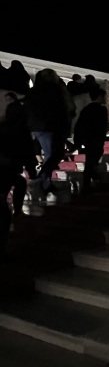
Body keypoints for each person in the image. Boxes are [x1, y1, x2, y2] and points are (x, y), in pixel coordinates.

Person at [24, 68, 76, 203]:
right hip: (51, 126)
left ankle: (46, 183)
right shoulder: (56, 90)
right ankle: (40, 179)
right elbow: (61, 110)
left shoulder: (33, 91)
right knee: (55, 154)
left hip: (36, 127)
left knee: (50, 155)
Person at [0, 93, 37, 254]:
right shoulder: (21, 129)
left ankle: (16, 212)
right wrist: (31, 169)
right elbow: (28, 151)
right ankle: (17, 212)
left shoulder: (2, 126)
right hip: (8, 169)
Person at [73, 84, 109, 193]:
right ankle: (89, 180)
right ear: (99, 96)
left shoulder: (86, 109)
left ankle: (89, 180)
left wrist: (78, 140)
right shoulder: (101, 110)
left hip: (87, 139)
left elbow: (79, 125)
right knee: (92, 160)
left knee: (90, 159)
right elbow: (102, 126)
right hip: (96, 138)